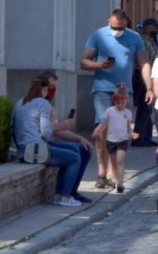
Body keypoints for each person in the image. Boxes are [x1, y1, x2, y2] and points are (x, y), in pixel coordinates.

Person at [80, 9, 149, 190]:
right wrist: (100, 64)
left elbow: (144, 64)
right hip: (102, 89)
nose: (117, 30)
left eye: (120, 27)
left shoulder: (134, 37)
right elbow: (84, 62)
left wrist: (150, 87)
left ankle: (113, 173)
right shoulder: (98, 36)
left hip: (125, 90)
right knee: (103, 130)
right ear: (108, 21)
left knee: (120, 131)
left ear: (126, 23)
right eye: (114, 26)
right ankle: (101, 173)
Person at [12, 76, 83, 207]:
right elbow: (46, 133)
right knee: (75, 158)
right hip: (36, 150)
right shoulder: (43, 103)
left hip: (23, 150)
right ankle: (64, 197)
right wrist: (60, 125)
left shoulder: (19, 102)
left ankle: (58, 195)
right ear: (44, 89)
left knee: (73, 150)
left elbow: (13, 128)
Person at [39, 70, 93, 203]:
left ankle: (72, 190)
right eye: (51, 87)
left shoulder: (50, 105)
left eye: (55, 88)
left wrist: (79, 138)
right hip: (41, 145)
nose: (53, 91)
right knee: (73, 154)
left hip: (49, 142)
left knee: (83, 149)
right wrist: (61, 125)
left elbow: (57, 131)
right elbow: (43, 131)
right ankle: (64, 194)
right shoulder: (38, 104)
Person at [92, 83, 132, 193]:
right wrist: (98, 129)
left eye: (122, 103)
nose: (120, 105)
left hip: (123, 140)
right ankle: (114, 179)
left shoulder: (128, 112)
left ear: (126, 101)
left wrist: (131, 133)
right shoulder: (109, 111)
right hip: (111, 140)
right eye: (118, 103)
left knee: (120, 160)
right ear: (114, 101)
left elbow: (128, 125)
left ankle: (120, 182)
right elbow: (104, 122)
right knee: (114, 161)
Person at [133, 18, 158, 146]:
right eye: (154, 27)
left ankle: (146, 136)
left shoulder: (151, 40)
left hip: (152, 74)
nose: (156, 30)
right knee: (144, 107)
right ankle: (139, 137)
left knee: (148, 108)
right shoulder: (140, 39)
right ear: (147, 27)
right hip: (142, 75)